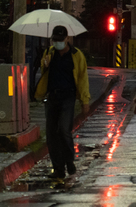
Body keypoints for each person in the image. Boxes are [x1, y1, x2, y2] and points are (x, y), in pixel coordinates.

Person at [34, 26, 90, 180]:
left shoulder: (76, 55)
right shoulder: (49, 53)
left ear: (67, 39)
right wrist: (44, 65)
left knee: (64, 130)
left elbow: (83, 78)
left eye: (60, 40)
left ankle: (69, 160)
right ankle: (58, 168)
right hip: (52, 97)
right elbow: (44, 73)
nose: (57, 43)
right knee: (51, 135)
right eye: (55, 40)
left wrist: (85, 100)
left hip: (68, 97)